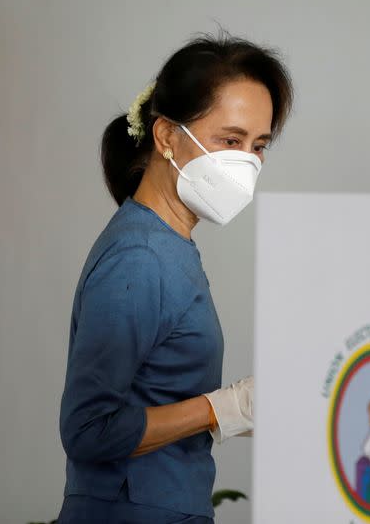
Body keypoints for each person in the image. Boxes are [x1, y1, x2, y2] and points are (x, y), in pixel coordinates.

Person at [56, 31, 293, 523]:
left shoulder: (167, 246)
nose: (246, 163)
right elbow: (87, 430)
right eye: (230, 140)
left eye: (259, 145)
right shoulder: (140, 257)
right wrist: (223, 408)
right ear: (166, 137)